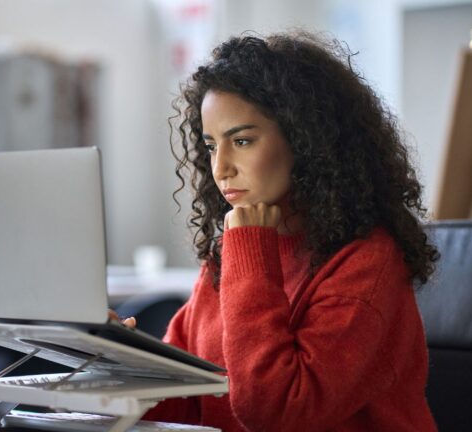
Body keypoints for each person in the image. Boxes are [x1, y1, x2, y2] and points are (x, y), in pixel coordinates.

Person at [139, 31, 441, 431]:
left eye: (242, 140)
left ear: (305, 141)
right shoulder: (229, 256)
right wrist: (109, 368)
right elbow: (184, 401)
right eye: (211, 145)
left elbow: (277, 412)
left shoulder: (368, 262)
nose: (220, 168)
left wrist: (250, 254)